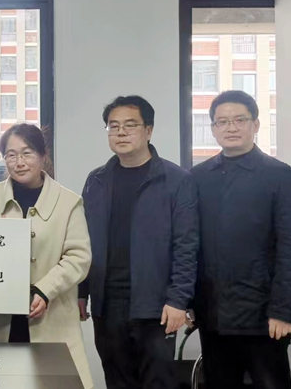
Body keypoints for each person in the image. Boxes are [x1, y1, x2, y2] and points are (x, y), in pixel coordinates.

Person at [78, 96, 199, 389]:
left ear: (149, 130)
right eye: (113, 126)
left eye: (130, 125)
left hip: (156, 305)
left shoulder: (176, 180)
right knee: (117, 381)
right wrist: (81, 293)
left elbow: (187, 246)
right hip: (107, 304)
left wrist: (178, 300)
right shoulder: (97, 180)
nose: (120, 132)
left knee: (158, 382)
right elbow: (83, 241)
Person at [191, 90, 291, 389]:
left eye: (239, 120)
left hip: (263, 316)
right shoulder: (198, 177)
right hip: (213, 314)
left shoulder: (281, 177)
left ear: (255, 124)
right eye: (222, 121)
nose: (231, 127)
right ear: (213, 128)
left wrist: (283, 311)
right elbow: (190, 245)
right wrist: (189, 302)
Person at [0, 123, 94, 389]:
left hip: (50, 315)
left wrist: (45, 289)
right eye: (11, 155)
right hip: (0, 317)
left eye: (27, 153)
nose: (19, 162)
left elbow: (78, 257)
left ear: (42, 156)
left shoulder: (68, 202)